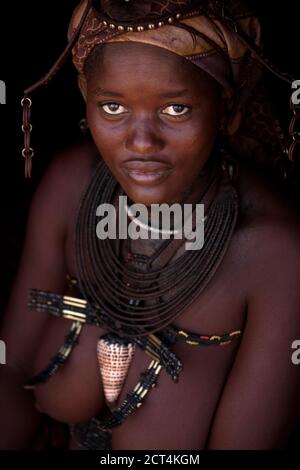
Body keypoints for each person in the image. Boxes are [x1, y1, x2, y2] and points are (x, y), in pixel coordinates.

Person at [0, 0, 300, 450]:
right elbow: (11, 368)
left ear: (227, 110)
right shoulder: (72, 185)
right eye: (114, 108)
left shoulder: (273, 253)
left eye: (176, 110)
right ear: (87, 99)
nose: (141, 142)